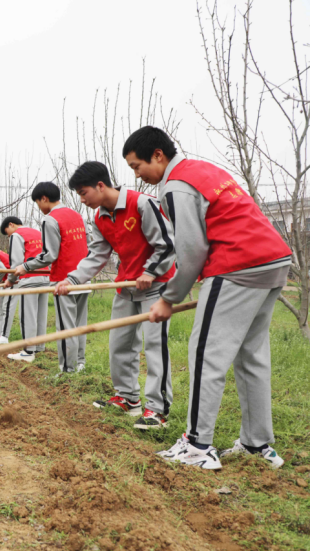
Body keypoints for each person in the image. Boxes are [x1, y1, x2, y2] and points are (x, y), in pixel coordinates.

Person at [124, 126, 292, 469]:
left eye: (137, 167)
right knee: (251, 354)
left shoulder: (176, 185)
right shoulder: (204, 170)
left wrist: (168, 298)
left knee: (205, 353)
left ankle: (197, 446)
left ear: (158, 155)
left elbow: (192, 250)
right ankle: (256, 445)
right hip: (274, 260)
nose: (138, 176)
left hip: (237, 265)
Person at [56, 161, 176, 429]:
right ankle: (128, 398)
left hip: (155, 286)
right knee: (120, 344)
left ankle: (158, 410)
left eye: (84, 193)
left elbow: (167, 244)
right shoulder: (99, 217)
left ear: (101, 185)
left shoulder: (143, 204)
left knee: (155, 347)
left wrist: (150, 272)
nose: (83, 199)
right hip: (125, 287)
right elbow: (97, 254)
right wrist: (72, 280)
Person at [13, 181, 89, 374]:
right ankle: (80, 363)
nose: (39, 207)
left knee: (66, 327)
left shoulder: (50, 219)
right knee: (80, 324)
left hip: (64, 280)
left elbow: (49, 255)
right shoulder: (77, 215)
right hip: (83, 278)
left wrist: (26, 266)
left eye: (38, 203)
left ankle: (67, 370)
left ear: (44, 199)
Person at [0, 216, 50, 363]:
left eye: (8, 233)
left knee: (28, 316)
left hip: (29, 279)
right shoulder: (38, 233)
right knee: (41, 314)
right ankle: (39, 347)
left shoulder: (17, 235)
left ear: (11, 225)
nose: (9, 236)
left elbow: (16, 262)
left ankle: (28, 351)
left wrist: (10, 281)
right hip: (45, 276)